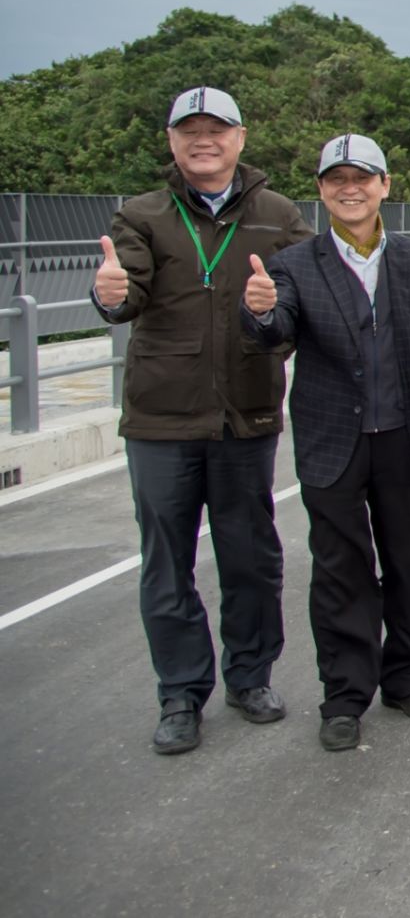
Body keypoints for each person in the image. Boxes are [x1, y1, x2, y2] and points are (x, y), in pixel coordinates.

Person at [92, 86, 313, 754]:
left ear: (240, 138)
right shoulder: (143, 215)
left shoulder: (277, 214)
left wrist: (276, 308)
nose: (203, 140)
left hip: (245, 415)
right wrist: (112, 294)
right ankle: (181, 691)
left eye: (216, 129)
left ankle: (251, 675)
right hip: (162, 419)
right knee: (168, 564)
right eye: (189, 130)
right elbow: (125, 289)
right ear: (172, 141)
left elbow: (305, 298)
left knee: (251, 558)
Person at [240, 135, 410, 751]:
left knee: (406, 563)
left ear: (385, 185)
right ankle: (344, 694)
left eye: (362, 177)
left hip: (403, 437)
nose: (350, 188)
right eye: (336, 178)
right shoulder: (293, 264)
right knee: (340, 572)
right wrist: (259, 312)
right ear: (320, 190)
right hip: (331, 440)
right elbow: (277, 327)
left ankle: (407, 676)